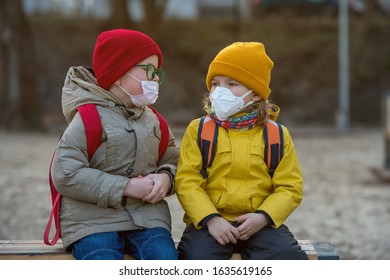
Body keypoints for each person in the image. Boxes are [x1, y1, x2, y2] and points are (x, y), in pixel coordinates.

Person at [51, 29, 179, 260]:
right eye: (149, 70)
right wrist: (125, 187)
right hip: (92, 222)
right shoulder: (89, 118)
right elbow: (65, 173)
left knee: (165, 258)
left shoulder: (154, 120)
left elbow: (174, 160)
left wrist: (166, 179)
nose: (156, 78)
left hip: (147, 219)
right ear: (119, 74)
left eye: (158, 71)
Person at [175, 42, 308, 260]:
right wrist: (210, 218)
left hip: (260, 224)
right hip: (209, 225)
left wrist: (264, 217)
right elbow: (186, 181)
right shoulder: (198, 130)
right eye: (216, 84)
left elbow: (289, 187)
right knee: (194, 259)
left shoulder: (276, 134)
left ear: (255, 94)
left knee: (287, 258)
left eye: (232, 84)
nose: (220, 91)